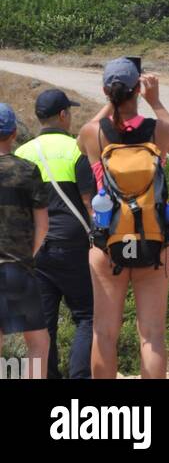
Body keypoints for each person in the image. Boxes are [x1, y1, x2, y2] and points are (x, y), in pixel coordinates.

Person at [77, 59, 169, 380]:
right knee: (152, 334)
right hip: (153, 241)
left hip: (107, 242)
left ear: (106, 91)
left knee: (104, 332)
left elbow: (81, 141)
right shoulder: (159, 131)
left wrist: (110, 101)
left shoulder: (93, 134)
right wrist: (156, 103)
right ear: (138, 89)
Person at [16, 88, 95, 380]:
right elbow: (89, 203)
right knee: (88, 316)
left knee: (43, 323)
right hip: (74, 246)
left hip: (35, 250)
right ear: (63, 115)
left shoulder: (22, 153)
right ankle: (80, 376)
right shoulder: (76, 150)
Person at [0, 103, 50, 378]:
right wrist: (27, 255)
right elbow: (43, 226)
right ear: (14, 132)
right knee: (38, 343)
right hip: (17, 267)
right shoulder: (28, 171)